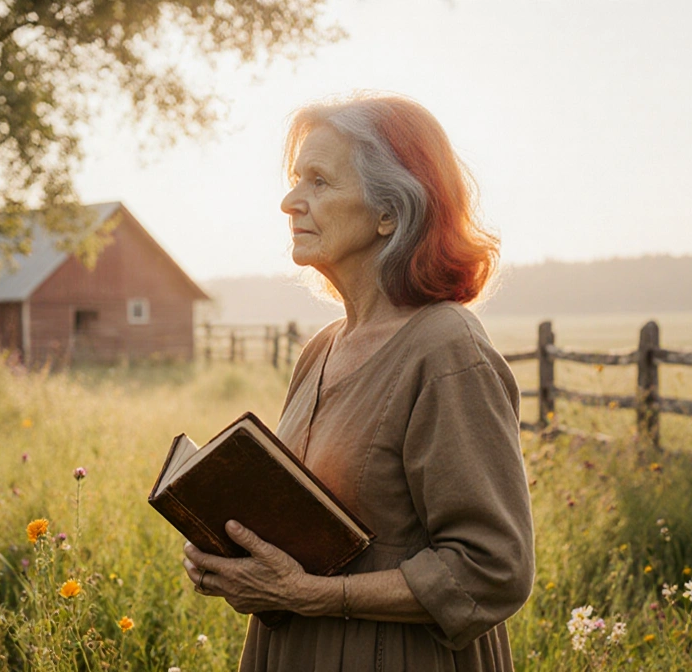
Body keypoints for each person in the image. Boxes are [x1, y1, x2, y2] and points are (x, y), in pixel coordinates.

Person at [183, 93, 535, 671]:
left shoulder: (447, 349)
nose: (290, 201)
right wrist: (229, 553)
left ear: (389, 213)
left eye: (319, 182)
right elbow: (303, 528)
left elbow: (493, 568)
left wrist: (313, 596)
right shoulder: (322, 348)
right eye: (297, 179)